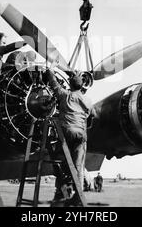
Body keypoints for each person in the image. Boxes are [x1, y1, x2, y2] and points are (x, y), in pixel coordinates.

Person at [46, 69, 93, 205]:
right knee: (78, 166)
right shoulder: (87, 100)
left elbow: (54, 84)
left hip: (66, 133)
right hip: (80, 135)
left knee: (60, 160)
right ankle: (78, 197)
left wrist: (50, 70)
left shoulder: (64, 94)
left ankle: (61, 190)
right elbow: (92, 115)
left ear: (70, 86)